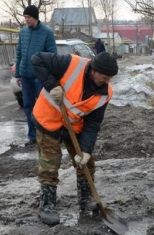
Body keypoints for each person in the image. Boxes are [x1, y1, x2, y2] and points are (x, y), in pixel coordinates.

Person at [30, 51, 119, 225]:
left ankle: (85, 200)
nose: (106, 81)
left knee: (87, 163)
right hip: (48, 119)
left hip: (73, 125)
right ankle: (47, 205)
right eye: (104, 77)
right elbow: (37, 59)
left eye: (110, 78)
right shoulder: (70, 63)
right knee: (50, 163)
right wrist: (52, 85)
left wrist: (85, 150)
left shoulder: (105, 94)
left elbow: (93, 124)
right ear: (93, 70)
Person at [14, 5, 57, 146]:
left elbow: (52, 55)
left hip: (40, 77)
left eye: (29, 17)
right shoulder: (23, 32)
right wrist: (18, 74)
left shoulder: (47, 33)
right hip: (25, 76)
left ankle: (46, 134)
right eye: (25, 17)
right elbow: (19, 53)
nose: (26, 20)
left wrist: (49, 75)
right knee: (28, 105)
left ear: (36, 17)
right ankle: (32, 136)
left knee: (44, 106)